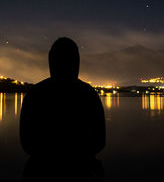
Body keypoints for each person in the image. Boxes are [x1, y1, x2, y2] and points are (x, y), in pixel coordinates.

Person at [20, 37, 106, 180]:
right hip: (82, 172)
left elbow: (27, 143)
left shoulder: (35, 94)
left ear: (51, 62)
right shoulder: (88, 94)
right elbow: (100, 141)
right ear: (77, 62)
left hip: (41, 171)